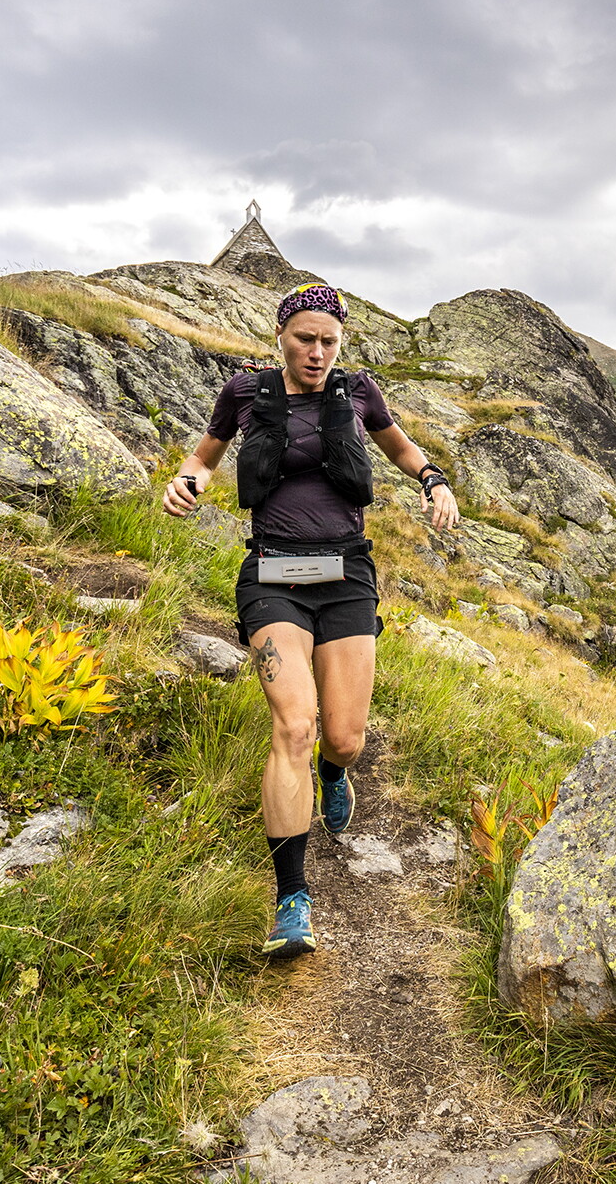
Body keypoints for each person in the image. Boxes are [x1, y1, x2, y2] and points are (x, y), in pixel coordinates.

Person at [163, 282, 460, 959]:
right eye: (305, 338)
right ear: (281, 336)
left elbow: (402, 450)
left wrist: (433, 480)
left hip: (347, 574)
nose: (318, 352)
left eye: (329, 340)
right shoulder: (246, 393)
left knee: (345, 737)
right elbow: (203, 458)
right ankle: (291, 899)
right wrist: (188, 482)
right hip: (272, 574)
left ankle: (335, 773)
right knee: (295, 723)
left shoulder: (358, 393)